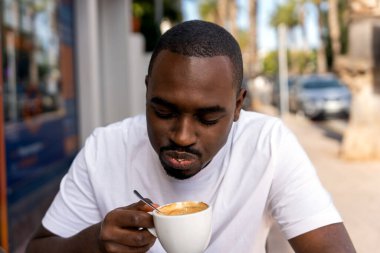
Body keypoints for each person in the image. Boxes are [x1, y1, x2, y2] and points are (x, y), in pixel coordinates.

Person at [26, 20, 356, 253]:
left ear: (238, 105)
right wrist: (96, 243)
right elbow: (39, 248)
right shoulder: (105, 149)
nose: (182, 137)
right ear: (147, 91)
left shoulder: (268, 145)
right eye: (164, 112)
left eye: (208, 118)